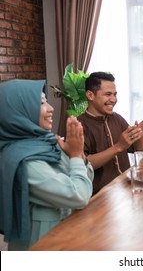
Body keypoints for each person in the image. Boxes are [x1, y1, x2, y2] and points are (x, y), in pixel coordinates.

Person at [0, 79, 93, 250]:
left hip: (68, 234)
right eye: (42, 103)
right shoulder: (24, 161)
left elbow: (87, 181)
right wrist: (75, 156)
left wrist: (78, 155)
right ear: (20, 111)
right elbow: (79, 195)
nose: (51, 109)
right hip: (43, 245)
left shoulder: (46, 142)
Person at [78, 72, 143, 194]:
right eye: (108, 94)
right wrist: (118, 147)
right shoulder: (78, 125)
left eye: (115, 94)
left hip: (126, 188)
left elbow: (136, 149)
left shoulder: (117, 118)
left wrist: (141, 137)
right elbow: (83, 164)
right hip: (99, 196)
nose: (113, 99)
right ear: (90, 95)